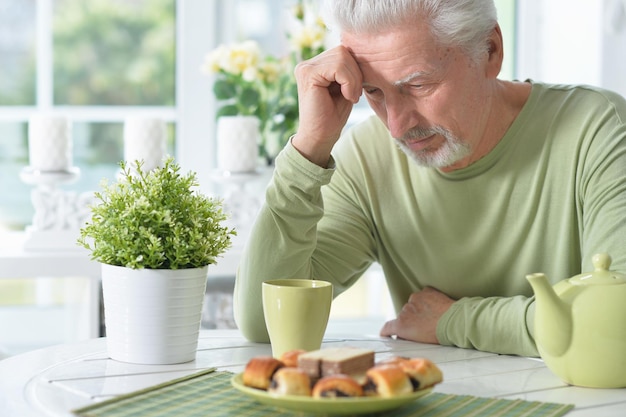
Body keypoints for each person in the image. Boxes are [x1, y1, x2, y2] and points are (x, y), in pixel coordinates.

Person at [233, 0, 626, 356]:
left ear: (490, 51)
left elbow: (615, 326)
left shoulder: (598, 129)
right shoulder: (367, 159)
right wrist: (310, 148)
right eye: (373, 92)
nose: (397, 125)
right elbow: (262, 322)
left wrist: (452, 320)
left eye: (418, 86)